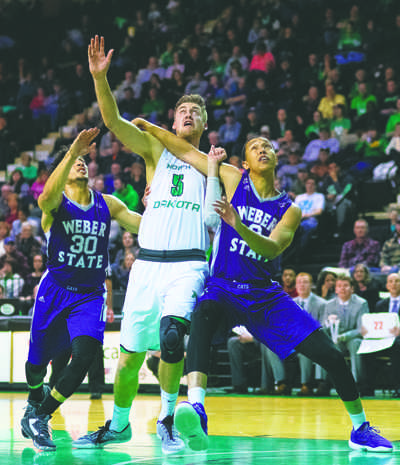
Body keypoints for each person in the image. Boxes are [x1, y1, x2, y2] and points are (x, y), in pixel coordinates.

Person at [131, 122, 393, 453]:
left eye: (268, 146)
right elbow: (184, 150)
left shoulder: (290, 209)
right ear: (246, 163)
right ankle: (197, 408)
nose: (263, 149)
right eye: (255, 147)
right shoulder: (233, 179)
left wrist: (237, 225)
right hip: (224, 286)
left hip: (264, 293)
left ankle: (360, 428)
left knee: (331, 355)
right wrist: (149, 127)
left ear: (276, 159)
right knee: (204, 312)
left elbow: (271, 249)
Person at [73, 36, 210, 455]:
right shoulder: (156, 149)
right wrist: (100, 78)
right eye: (182, 110)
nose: (187, 114)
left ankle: (167, 420)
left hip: (187, 265)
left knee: (171, 339)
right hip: (146, 266)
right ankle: (118, 426)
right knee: (130, 356)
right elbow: (113, 121)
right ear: (173, 120)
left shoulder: (213, 166)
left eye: (195, 111)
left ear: (203, 123)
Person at [20, 127, 142, 451]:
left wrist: (156, 209)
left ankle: (41, 416)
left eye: (83, 161)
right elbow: (44, 198)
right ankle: (35, 397)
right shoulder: (55, 205)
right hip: (56, 290)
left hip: (89, 295)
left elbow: (140, 224)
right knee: (35, 366)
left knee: (86, 356)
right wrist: (72, 151)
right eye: (75, 162)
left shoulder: (107, 204)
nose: (82, 165)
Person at [323, 275, 369, 395]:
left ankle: (356, 382)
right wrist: (329, 325)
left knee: (355, 344)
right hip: (334, 339)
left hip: (353, 338)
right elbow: (323, 326)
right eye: (339, 286)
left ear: (352, 289)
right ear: (336, 289)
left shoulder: (361, 303)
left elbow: (362, 329)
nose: (342, 289)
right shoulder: (329, 305)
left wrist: (344, 336)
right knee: (325, 345)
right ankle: (325, 383)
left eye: (345, 286)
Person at [294, 273, 327, 396]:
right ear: (296, 286)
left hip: (314, 339)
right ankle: (280, 383)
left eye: (305, 282)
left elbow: (323, 325)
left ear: (311, 285)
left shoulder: (322, 303)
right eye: (299, 282)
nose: (302, 285)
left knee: (306, 347)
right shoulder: (290, 303)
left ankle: (306, 384)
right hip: (294, 340)